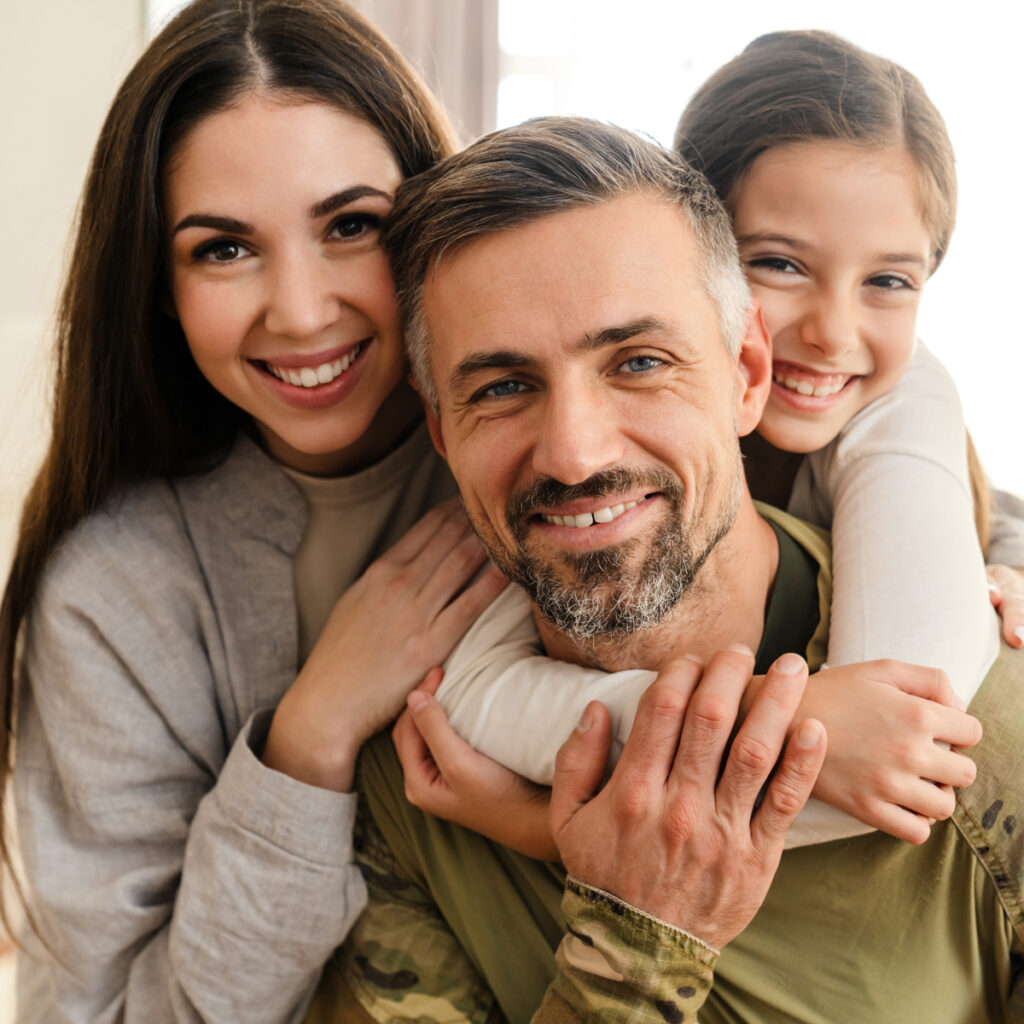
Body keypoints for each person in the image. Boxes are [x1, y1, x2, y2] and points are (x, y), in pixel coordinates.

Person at [320, 116, 1023, 1023]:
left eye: (640, 363)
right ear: (441, 430)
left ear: (748, 372)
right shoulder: (419, 778)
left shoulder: (988, 730)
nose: (573, 454)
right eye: (501, 388)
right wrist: (638, 942)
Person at [0, 1, 510, 1020]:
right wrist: (310, 738)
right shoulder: (110, 594)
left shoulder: (563, 458)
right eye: (224, 249)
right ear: (157, 282)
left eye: (351, 225)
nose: (301, 309)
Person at [394, 29, 1024, 853]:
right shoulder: (550, 466)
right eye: (783, 264)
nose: (833, 333)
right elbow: (476, 694)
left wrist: (549, 828)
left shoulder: (900, 402)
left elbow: (898, 745)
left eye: (889, 280)